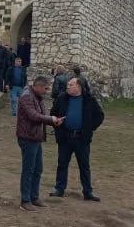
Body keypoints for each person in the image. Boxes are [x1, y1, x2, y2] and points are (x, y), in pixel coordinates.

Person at [49, 77, 105, 202]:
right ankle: (59, 188)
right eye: (68, 84)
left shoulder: (89, 100)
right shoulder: (61, 98)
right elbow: (53, 113)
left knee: (84, 166)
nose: (68, 86)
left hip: (82, 138)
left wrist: (90, 128)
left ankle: (88, 191)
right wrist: (57, 125)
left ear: (79, 87)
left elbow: (99, 115)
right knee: (62, 164)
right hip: (65, 137)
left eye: (71, 84)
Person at [16, 76, 63, 212]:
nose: (47, 91)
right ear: (38, 86)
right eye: (45, 88)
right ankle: (25, 200)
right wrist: (51, 119)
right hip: (28, 137)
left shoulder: (37, 97)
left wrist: (52, 120)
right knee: (28, 169)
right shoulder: (26, 97)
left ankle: (34, 197)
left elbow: (39, 115)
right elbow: (33, 116)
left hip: (36, 138)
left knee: (37, 169)